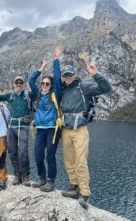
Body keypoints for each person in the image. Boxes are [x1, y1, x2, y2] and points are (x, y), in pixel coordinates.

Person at [59, 61, 111, 208]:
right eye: (65, 75)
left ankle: (85, 194)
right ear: (63, 77)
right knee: (69, 160)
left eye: (70, 74)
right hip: (66, 128)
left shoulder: (83, 86)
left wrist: (95, 74)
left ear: (74, 74)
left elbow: (106, 88)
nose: (68, 77)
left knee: (81, 161)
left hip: (80, 128)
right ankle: (74, 188)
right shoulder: (62, 89)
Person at [0, 72, 37, 186]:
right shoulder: (10, 96)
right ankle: (17, 174)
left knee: (23, 151)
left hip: (23, 127)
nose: (19, 84)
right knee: (12, 151)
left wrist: (35, 76)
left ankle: (25, 175)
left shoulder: (28, 95)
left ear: (23, 84)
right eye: (17, 83)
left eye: (21, 83)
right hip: (12, 127)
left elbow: (36, 92)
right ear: (14, 84)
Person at [29, 46, 63, 192]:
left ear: (51, 85)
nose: (44, 85)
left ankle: (51, 181)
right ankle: (42, 178)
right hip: (40, 129)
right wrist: (40, 69)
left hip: (52, 129)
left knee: (50, 155)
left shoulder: (56, 93)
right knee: (37, 155)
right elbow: (31, 81)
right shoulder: (38, 93)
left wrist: (56, 59)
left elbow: (56, 76)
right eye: (43, 83)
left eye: (47, 84)